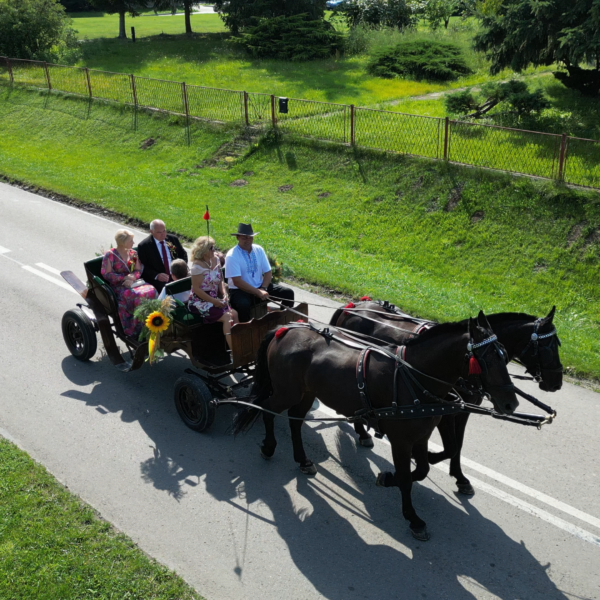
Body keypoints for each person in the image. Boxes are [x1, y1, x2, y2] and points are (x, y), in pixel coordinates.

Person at [225, 223, 294, 323]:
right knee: (243, 305)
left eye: (250, 238)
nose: (248, 240)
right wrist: (257, 292)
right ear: (238, 238)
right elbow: (237, 282)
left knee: (288, 293)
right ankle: (247, 333)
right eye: (244, 238)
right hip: (240, 290)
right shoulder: (232, 255)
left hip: (260, 286)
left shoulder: (259, 250)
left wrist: (263, 288)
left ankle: (284, 323)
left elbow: (268, 272)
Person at [101, 229, 157, 336]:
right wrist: (124, 278)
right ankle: (136, 327)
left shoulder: (133, 253)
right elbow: (107, 274)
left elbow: (138, 270)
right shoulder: (110, 255)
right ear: (123, 242)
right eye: (131, 240)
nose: (133, 243)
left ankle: (152, 322)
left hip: (134, 283)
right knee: (135, 295)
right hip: (119, 286)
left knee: (152, 290)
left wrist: (132, 277)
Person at [188, 236, 239, 349]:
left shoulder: (215, 260)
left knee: (234, 314)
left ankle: (238, 344)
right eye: (211, 248)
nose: (214, 250)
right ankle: (233, 351)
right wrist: (214, 301)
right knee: (227, 317)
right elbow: (196, 289)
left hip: (215, 297)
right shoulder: (197, 266)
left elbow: (220, 279)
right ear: (204, 250)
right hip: (199, 301)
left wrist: (224, 294)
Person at [137, 219, 188, 294]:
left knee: (190, 284)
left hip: (177, 274)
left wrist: (181, 268)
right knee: (169, 291)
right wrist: (156, 275)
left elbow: (183, 254)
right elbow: (143, 267)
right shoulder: (144, 246)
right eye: (159, 232)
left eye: (164, 231)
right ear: (151, 232)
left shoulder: (173, 239)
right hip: (160, 280)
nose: (163, 234)